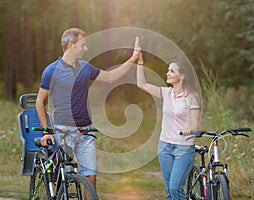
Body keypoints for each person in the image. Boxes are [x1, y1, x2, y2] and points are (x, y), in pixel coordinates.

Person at [36, 27, 140, 190]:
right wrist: (46, 131)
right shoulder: (51, 71)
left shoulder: (85, 67)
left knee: (90, 178)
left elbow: (111, 77)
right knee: (62, 177)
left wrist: (133, 58)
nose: (86, 48)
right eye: (83, 44)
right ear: (71, 44)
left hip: (85, 132)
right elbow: (40, 101)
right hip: (63, 131)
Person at [136, 52, 201, 200]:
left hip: (183, 148)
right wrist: (140, 62)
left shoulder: (192, 96)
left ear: (182, 76)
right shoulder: (166, 93)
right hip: (164, 146)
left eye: (172, 71)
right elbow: (141, 84)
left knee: (175, 188)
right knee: (170, 192)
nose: (168, 73)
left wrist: (190, 130)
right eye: (168, 70)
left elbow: (195, 125)